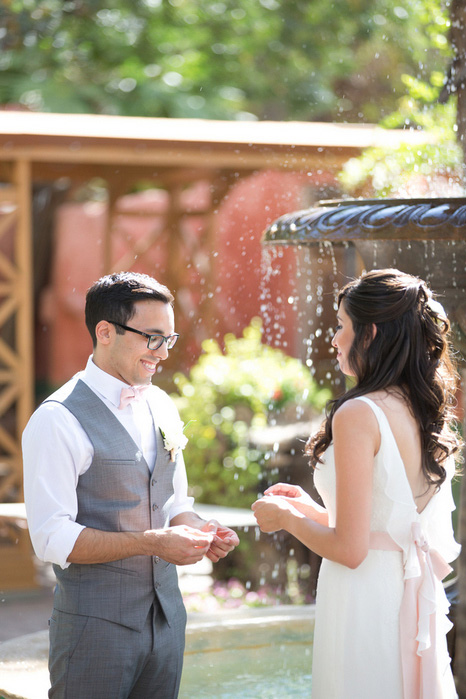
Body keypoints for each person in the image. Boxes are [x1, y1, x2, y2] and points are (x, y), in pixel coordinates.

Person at [22, 271, 239, 699]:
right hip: (94, 631)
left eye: (169, 340)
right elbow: (51, 539)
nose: (162, 353)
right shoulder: (56, 419)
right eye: (151, 338)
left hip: (167, 623)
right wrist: (154, 543)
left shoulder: (160, 402)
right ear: (105, 331)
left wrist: (201, 529)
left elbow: (175, 501)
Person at [252, 268, 461, 698]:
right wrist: (306, 509)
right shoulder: (418, 406)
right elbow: (384, 521)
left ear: (370, 333)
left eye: (341, 326)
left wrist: (283, 519)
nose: (333, 339)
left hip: (365, 598)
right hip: (402, 587)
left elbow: (351, 550)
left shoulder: (359, 414)